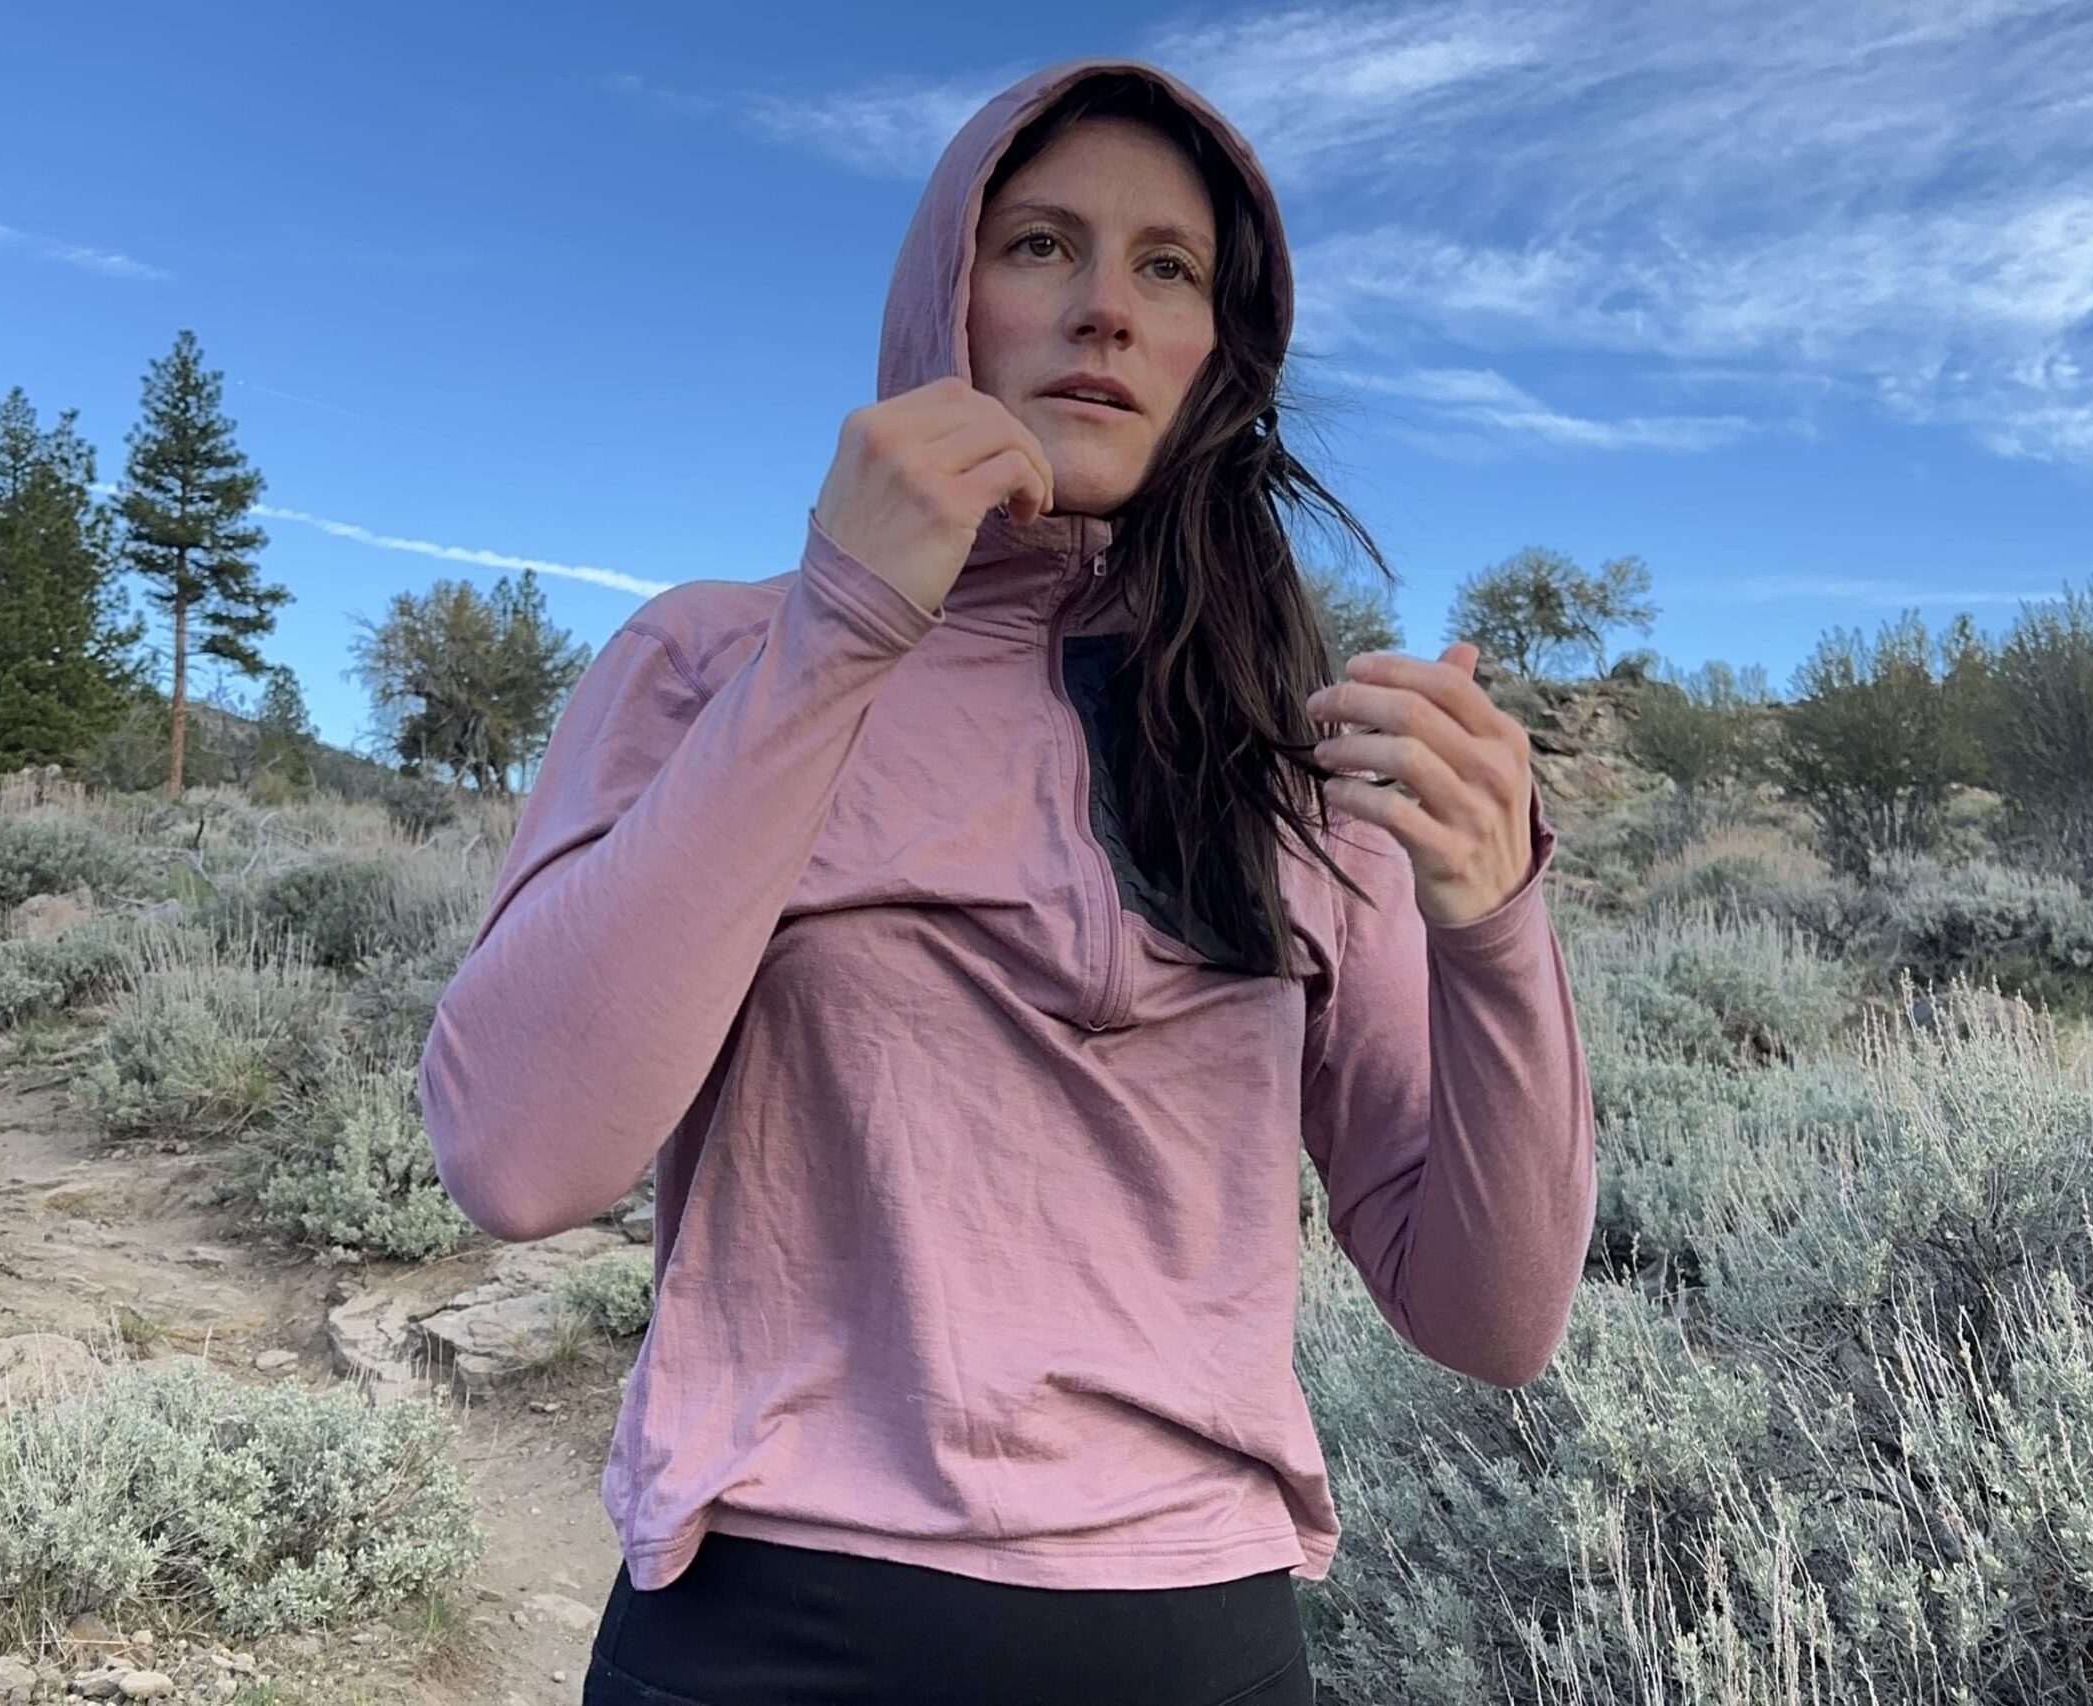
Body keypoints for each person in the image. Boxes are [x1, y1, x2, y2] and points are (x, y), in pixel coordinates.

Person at [419, 55, 1598, 1706]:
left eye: (1166, 267)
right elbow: (517, 1152)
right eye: (1042, 244)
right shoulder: (714, 657)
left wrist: (1494, 929)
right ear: (941, 295)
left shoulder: (1293, 746)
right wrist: (841, 628)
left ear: (1220, 354)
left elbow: (1496, 1316)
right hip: (771, 1627)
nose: (1105, 309)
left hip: (1197, 1633)